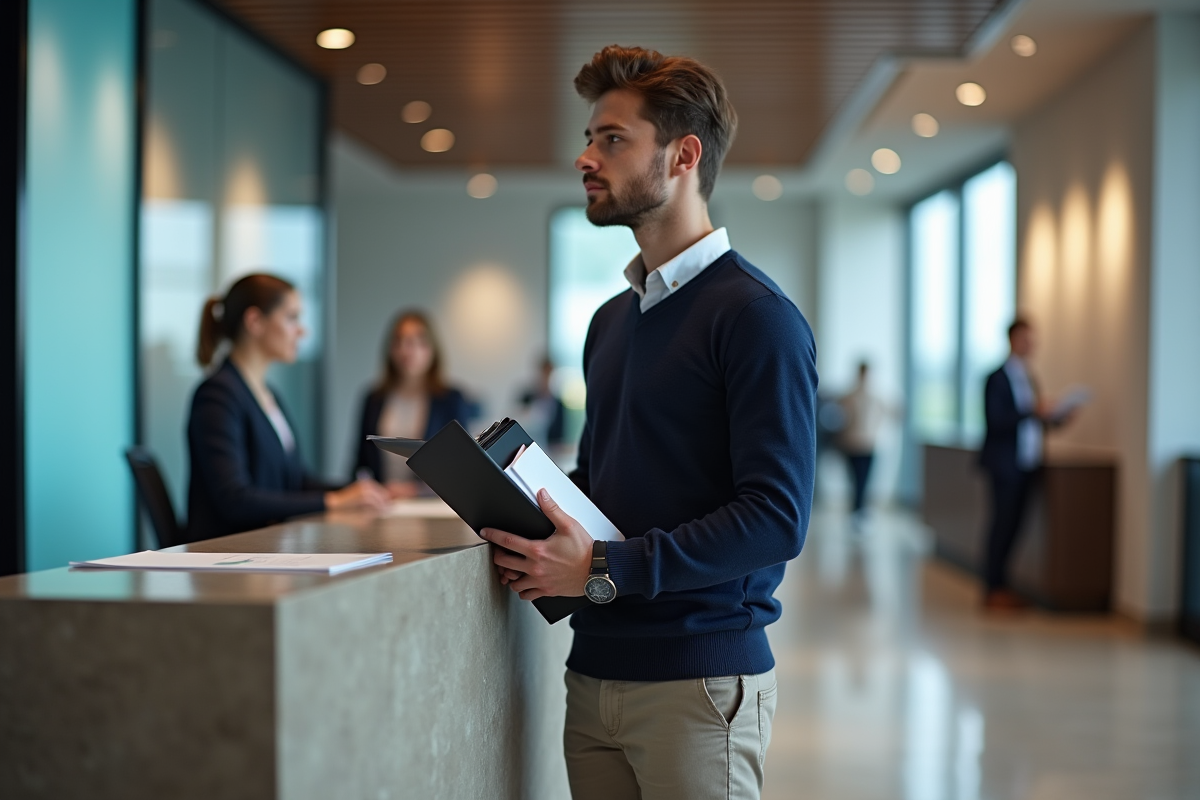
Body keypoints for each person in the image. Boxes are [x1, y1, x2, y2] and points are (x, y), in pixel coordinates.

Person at [479, 46, 817, 800]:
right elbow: (607, 483)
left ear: (683, 155)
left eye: (612, 139)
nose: (584, 157)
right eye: (590, 139)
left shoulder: (757, 319)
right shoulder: (611, 322)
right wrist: (511, 506)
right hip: (595, 672)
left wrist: (603, 569)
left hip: (698, 684)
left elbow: (776, 519)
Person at [187, 274, 389, 542]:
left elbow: (296, 481)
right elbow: (235, 499)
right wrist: (334, 501)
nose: (302, 331)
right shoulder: (217, 395)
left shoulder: (267, 394)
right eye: (292, 318)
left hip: (267, 546)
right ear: (255, 322)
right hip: (230, 555)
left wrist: (362, 491)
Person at [979, 318, 1071, 610]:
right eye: (1025, 339)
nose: (1030, 345)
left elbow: (1032, 422)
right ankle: (992, 588)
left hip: (1028, 463)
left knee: (1017, 526)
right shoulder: (996, 378)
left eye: (1033, 339)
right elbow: (997, 421)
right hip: (1004, 465)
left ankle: (1004, 586)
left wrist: (1058, 417)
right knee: (1001, 525)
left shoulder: (1030, 377)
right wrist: (1033, 410)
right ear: (1012, 339)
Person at [352, 310, 473, 498]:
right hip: (381, 504)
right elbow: (359, 463)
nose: (407, 350)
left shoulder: (450, 399)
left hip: (430, 506)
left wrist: (415, 490)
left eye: (418, 342)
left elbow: (462, 469)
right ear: (390, 349)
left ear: (433, 349)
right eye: (399, 341)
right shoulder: (373, 399)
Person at [837, 361, 889, 524]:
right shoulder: (848, 397)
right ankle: (857, 511)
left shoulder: (876, 397)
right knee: (855, 480)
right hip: (852, 444)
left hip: (868, 444)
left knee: (864, 480)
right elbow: (841, 420)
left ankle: (860, 511)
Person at [517, 355, 567, 448]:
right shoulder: (526, 398)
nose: (546, 378)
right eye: (544, 373)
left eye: (549, 374)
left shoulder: (558, 404)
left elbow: (560, 438)